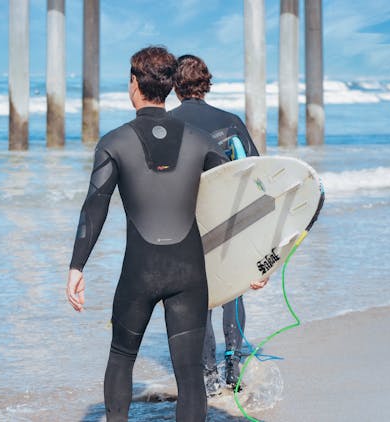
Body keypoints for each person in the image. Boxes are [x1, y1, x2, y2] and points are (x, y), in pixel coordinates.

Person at [66, 46, 229, 422]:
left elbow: (95, 206)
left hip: (140, 271)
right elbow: (236, 197)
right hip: (189, 272)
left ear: (135, 85)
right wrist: (257, 263)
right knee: (190, 375)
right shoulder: (201, 140)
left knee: (122, 357)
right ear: (170, 87)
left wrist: (77, 266)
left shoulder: (114, 141)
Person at [168, 54, 268, 394]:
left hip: (188, 224)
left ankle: (208, 375)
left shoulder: (166, 125)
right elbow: (256, 177)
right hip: (231, 222)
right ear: (206, 83)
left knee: (201, 298)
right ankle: (234, 365)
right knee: (233, 291)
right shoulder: (231, 121)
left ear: (174, 85)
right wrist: (264, 251)